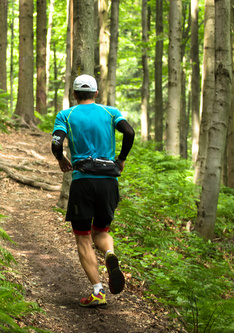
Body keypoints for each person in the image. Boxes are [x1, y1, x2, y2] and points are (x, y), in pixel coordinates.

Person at [51, 74, 135, 307]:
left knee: (83, 237)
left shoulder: (66, 115)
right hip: (108, 181)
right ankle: (109, 253)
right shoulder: (111, 112)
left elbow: (57, 142)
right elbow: (129, 132)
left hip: (83, 181)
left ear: (75, 94)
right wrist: (121, 159)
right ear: (96, 93)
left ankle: (98, 292)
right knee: (101, 231)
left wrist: (61, 158)